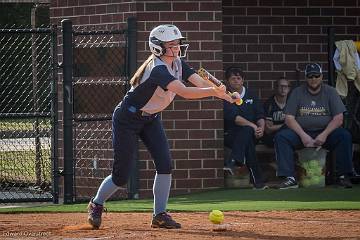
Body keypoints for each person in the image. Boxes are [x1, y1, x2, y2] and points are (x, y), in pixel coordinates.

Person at [86, 24, 238, 230]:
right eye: (172, 45)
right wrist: (214, 91)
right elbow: (184, 91)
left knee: (165, 164)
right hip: (127, 119)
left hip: (151, 119)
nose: (177, 48)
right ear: (158, 48)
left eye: (177, 44)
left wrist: (227, 94)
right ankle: (96, 204)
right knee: (121, 175)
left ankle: (159, 215)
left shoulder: (178, 63)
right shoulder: (157, 69)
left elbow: (199, 82)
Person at [274, 63, 354, 189]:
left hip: (325, 133)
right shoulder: (297, 92)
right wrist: (303, 136)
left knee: (344, 136)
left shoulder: (331, 92)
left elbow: (339, 119)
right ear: (306, 77)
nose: (314, 79)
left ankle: (342, 176)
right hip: (302, 133)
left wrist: (324, 135)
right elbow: (289, 119)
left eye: (316, 76)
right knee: (281, 137)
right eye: (310, 76)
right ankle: (289, 178)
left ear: (321, 76)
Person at [223, 67, 268, 189]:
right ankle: (258, 182)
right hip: (231, 135)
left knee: (247, 136)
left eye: (239, 78)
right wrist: (253, 126)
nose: (236, 81)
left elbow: (260, 114)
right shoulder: (226, 96)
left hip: (253, 134)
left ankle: (234, 160)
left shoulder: (251, 95)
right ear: (228, 81)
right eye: (233, 78)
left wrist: (261, 128)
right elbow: (234, 118)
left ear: (243, 80)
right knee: (248, 140)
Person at [263, 77, 290, 147]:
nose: (283, 89)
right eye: (281, 86)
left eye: (285, 86)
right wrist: (286, 125)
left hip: (288, 135)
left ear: (289, 89)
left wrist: (276, 126)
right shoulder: (269, 104)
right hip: (272, 137)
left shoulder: (292, 103)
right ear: (276, 88)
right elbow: (268, 129)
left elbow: (297, 124)